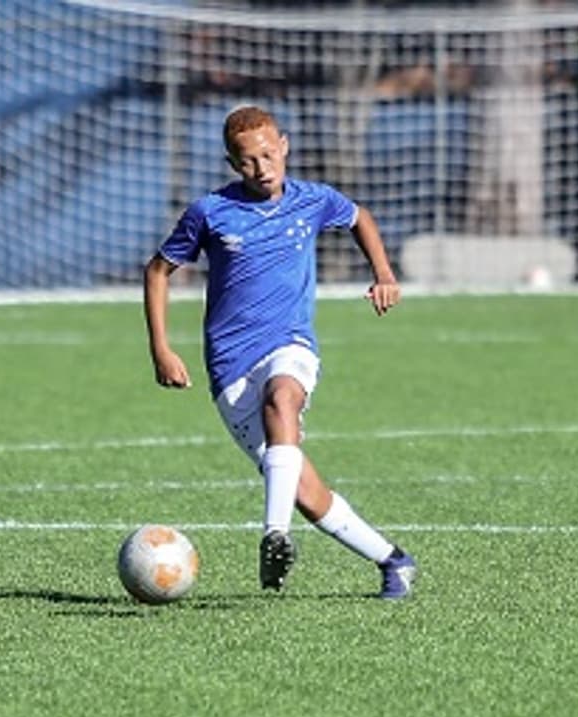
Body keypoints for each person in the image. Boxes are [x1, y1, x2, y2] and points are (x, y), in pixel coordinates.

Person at [142, 105, 418, 600]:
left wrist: (384, 274)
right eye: (248, 161)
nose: (262, 168)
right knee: (307, 494)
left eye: (269, 155)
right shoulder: (210, 212)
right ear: (233, 164)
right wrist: (161, 348)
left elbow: (360, 218)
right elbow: (158, 270)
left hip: (290, 344)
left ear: (284, 146)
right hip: (229, 368)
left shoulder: (313, 201)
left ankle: (275, 536)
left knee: (282, 398)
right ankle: (394, 561)